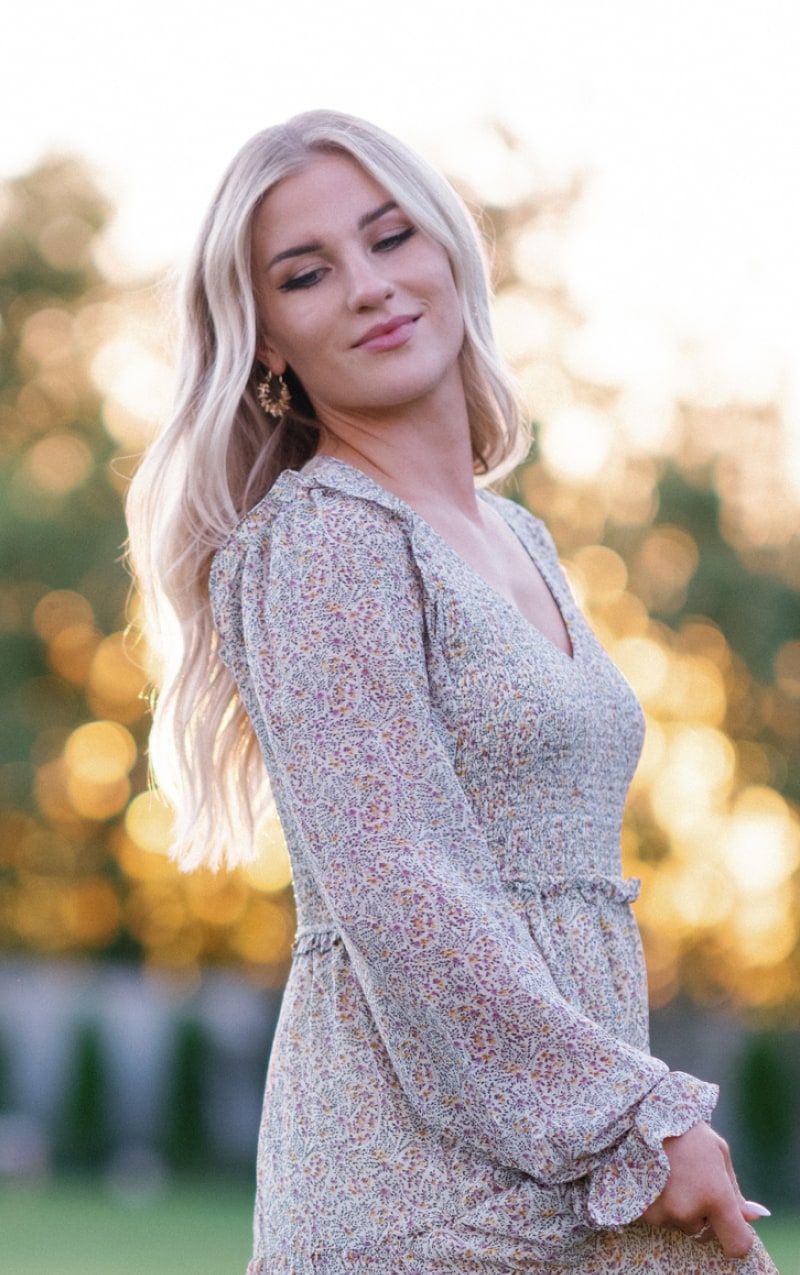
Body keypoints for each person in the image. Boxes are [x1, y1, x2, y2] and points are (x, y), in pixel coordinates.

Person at [126, 110, 778, 1273]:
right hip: (419, 1186)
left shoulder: (516, 535)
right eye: (307, 274)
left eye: (390, 238)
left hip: (564, 1147)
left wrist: (618, 1109)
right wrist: (634, 1113)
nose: (369, 286)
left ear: (448, 251)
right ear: (265, 341)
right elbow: (399, 885)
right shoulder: (321, 542)